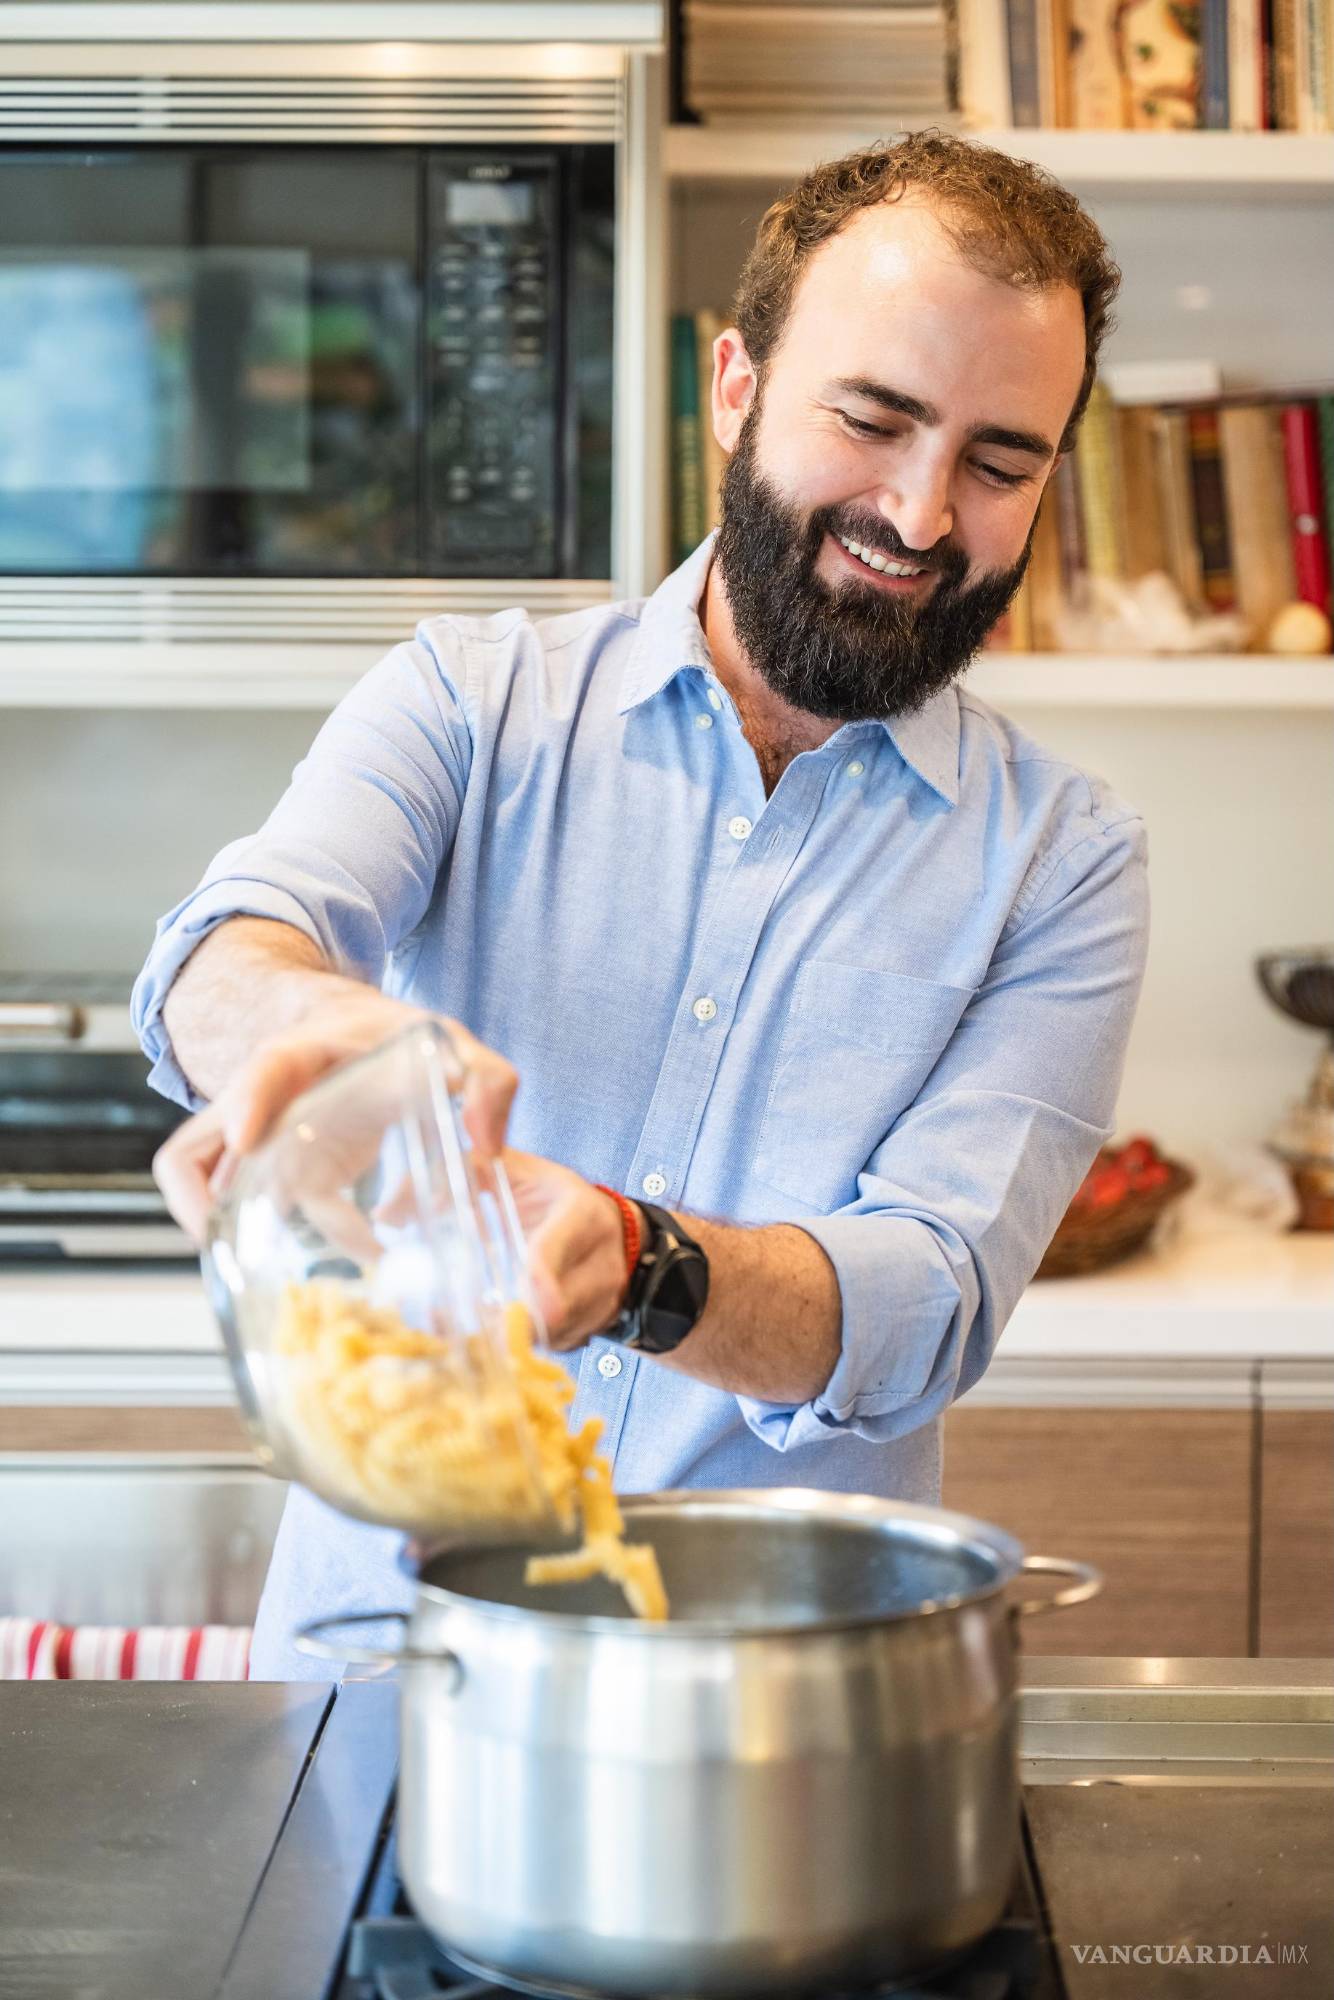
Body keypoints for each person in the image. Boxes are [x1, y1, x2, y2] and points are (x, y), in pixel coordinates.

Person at [134, 131, 1148, 1679]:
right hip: (374, 1677)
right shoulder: (469, 704)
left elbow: (924, 1302)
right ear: (735, 389)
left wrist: (636, 1255)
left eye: (998, 461)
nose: (924, 515)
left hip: (774, 1713)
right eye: (871, 420)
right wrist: (321, 1040)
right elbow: (234, 942)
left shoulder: (1061, 860)